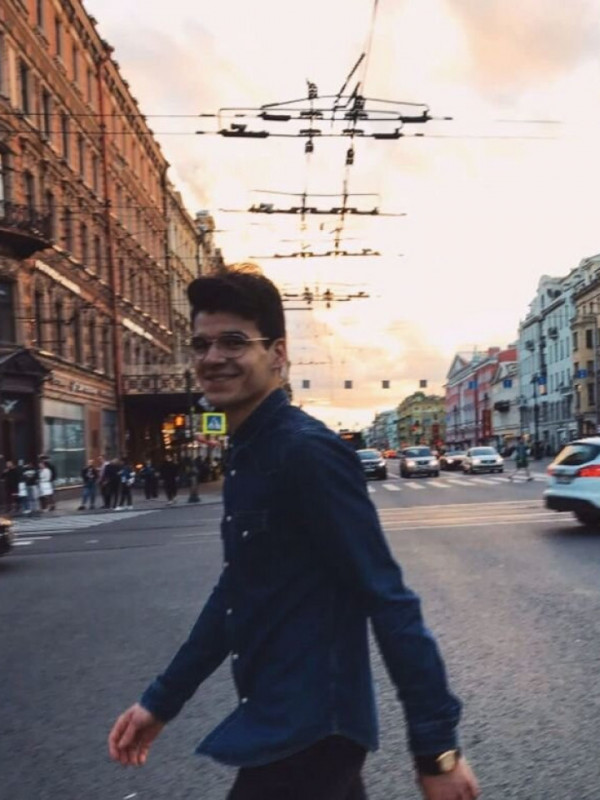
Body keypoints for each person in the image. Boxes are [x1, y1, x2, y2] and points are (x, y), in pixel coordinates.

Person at [108, 266, 479, 800]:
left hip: (309, 734)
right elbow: (236, 592)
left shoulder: (305, 452)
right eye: (202, 344)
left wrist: (437, 749)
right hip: (285, 722)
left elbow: (387, 597)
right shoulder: (249, 452)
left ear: (278, 354)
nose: (213, 357)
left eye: (234, 341)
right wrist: (161, 700)